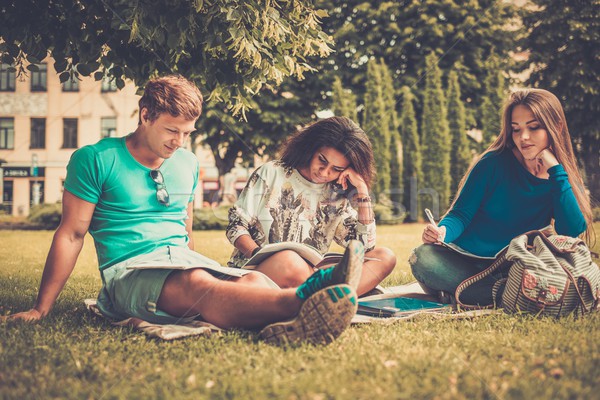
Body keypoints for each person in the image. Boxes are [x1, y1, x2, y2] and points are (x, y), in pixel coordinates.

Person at [2, 75, 362, 346]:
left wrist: (205, 266)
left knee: (248, 280)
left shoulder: (187, 163)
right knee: (197, 285)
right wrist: (41, 308)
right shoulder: (95, 159)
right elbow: (71, 234)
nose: (179, 141)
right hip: (129, 271)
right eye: (171, 130)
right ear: (145, 115)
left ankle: (293, 321)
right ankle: (302, 301)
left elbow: (185, 231)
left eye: (187, 132)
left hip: (183, 263)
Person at [410, 88, 593, 305]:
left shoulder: (561, 175)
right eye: (516, 129)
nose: (523, 137)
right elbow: (460, 214)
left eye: (533, 127)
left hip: (513, 266)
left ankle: (473, 293)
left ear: (557, 127)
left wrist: (556, 172)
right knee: (423, 258)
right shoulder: (492, 162)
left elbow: (571, 231)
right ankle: (510, 295)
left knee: (553, 273)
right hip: (465, 260)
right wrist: (443, 232)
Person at [226, 116, 397, 296]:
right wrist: (259, 254)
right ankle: (331, 296)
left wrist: (362, 190)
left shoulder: (337, 193)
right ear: (311, 148)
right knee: (290, 261)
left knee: (384, 257)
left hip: (308, 272)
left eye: (336, 169)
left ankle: (321, 297)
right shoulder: (272, 172)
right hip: (257, 272)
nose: (324, 172)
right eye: (322, 160)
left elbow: (364, 248)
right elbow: (236, 226)